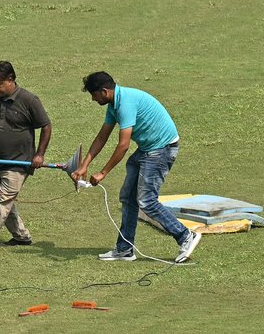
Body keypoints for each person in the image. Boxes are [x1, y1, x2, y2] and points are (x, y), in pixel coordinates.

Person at [71, 72, 201, 263]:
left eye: (93, 94)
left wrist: (103, 172)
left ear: (104, 91)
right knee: (129, 198)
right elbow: (102, 137)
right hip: (147, 149)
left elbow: (123, 145)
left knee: (146, 200)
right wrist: (84, 166)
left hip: (162, 149)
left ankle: (185, 235)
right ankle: (125, 249)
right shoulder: (113, 104)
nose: (92, 98)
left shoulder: (126, 104)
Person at [0, 61, 52, 254]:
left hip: (19, 162)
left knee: (4, 201)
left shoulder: (29, 100)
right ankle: (22, 236)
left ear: (11, 79)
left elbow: (46, 126)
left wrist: (39, 154)